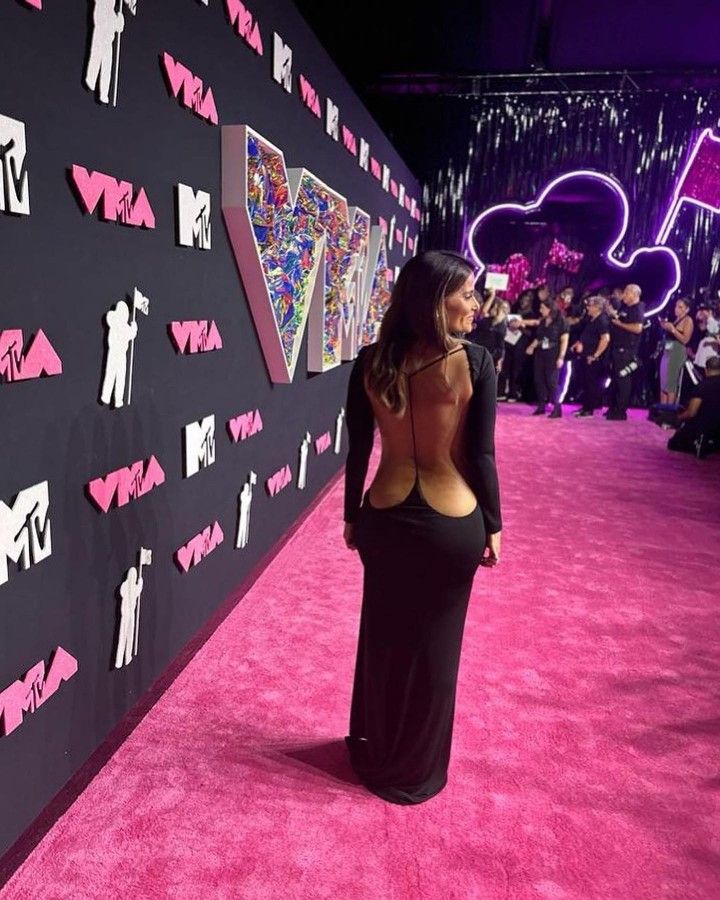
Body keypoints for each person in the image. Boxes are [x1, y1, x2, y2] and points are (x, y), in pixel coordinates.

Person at [343, 250, 502, 805]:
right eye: (466, 294)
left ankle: (377, 749)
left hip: (382, 517)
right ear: (436, 300)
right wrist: (495, 524)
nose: (475, 305)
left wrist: (350, 516)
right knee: (436, 649)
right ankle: (415, 770)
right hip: (452, 521)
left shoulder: (370, 361)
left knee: (384, 640)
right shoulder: (475, 362)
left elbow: (358, 447)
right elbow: (480, 454)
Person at [605, 283, 645, 420]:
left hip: (626, 349)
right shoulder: (625, 307)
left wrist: (620, 324)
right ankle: (614, 407)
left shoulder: (638, 308)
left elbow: (638, 328)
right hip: (617, 347)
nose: (624, 295)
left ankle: (621, 411)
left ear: (635, 294)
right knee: (616, 380)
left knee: (623, 379)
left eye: (627, 292)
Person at [525, 296, 569, 417]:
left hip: (553, 352)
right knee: (539, 379)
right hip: (541, 353)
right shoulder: (543, 321)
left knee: (551, 381)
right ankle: (541, 406)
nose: (540, 310)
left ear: (550, 309)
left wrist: (561, 357)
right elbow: (540, 338)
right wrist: (532, 346)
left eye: (542, 308)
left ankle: (557, 407)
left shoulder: (561, 321)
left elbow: (564, 340)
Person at [668, 355, 720, 457]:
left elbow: (691, 412)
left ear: (706, 370)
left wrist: (677, 418)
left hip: (704, 427)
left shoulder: (702, 386)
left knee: (673, 443)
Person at [571, 295, 610, 416]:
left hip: (593, 357)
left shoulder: (602, 320)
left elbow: (605, 339)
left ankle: (589, 409)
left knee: (591, 383)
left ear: (597, 307)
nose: (587, 308)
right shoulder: (591, 319)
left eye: (590, 305)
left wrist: (595, 355)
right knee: (586, 382)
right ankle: (585, 407)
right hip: (585, 354)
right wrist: (578, 343)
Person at [659, 298, 693, 404]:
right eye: (676, 306)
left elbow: (685, 340)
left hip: (677, 352)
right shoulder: (675, 319)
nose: (676, 309)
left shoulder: (688, 320)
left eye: (680, 307)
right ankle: (662, 410)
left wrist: (673, 330)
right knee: (663, 382)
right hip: (668, 351)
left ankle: (669, 412)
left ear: (687, 309)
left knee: (671, 383)